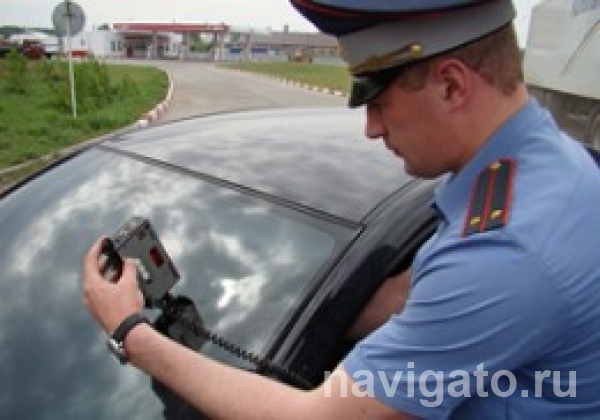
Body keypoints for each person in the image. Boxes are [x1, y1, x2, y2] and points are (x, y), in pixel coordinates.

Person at [82, 0, 600, 418]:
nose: (371, 129)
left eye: (380, 102)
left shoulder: (506, 251)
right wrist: (267, 313)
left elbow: (319, 416)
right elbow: (414, 293)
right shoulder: (534, 163)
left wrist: (131, 333)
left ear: (452, 85)